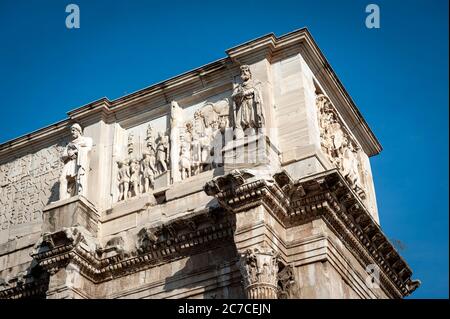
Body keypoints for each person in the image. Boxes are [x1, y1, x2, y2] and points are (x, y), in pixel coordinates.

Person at [59, 123, 93, 200]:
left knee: (78, 178)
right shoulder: (69, 144)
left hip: (80, 161)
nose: (72, 133)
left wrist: (75, 151)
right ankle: (62, 199)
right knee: (62, 179)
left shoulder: (86, 139)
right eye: (71, 131)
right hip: (70, 162)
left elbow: (89, 149)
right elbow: (63, 157)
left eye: (74, 130)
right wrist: (69, 154)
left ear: (79, 131)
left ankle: (79, 195)